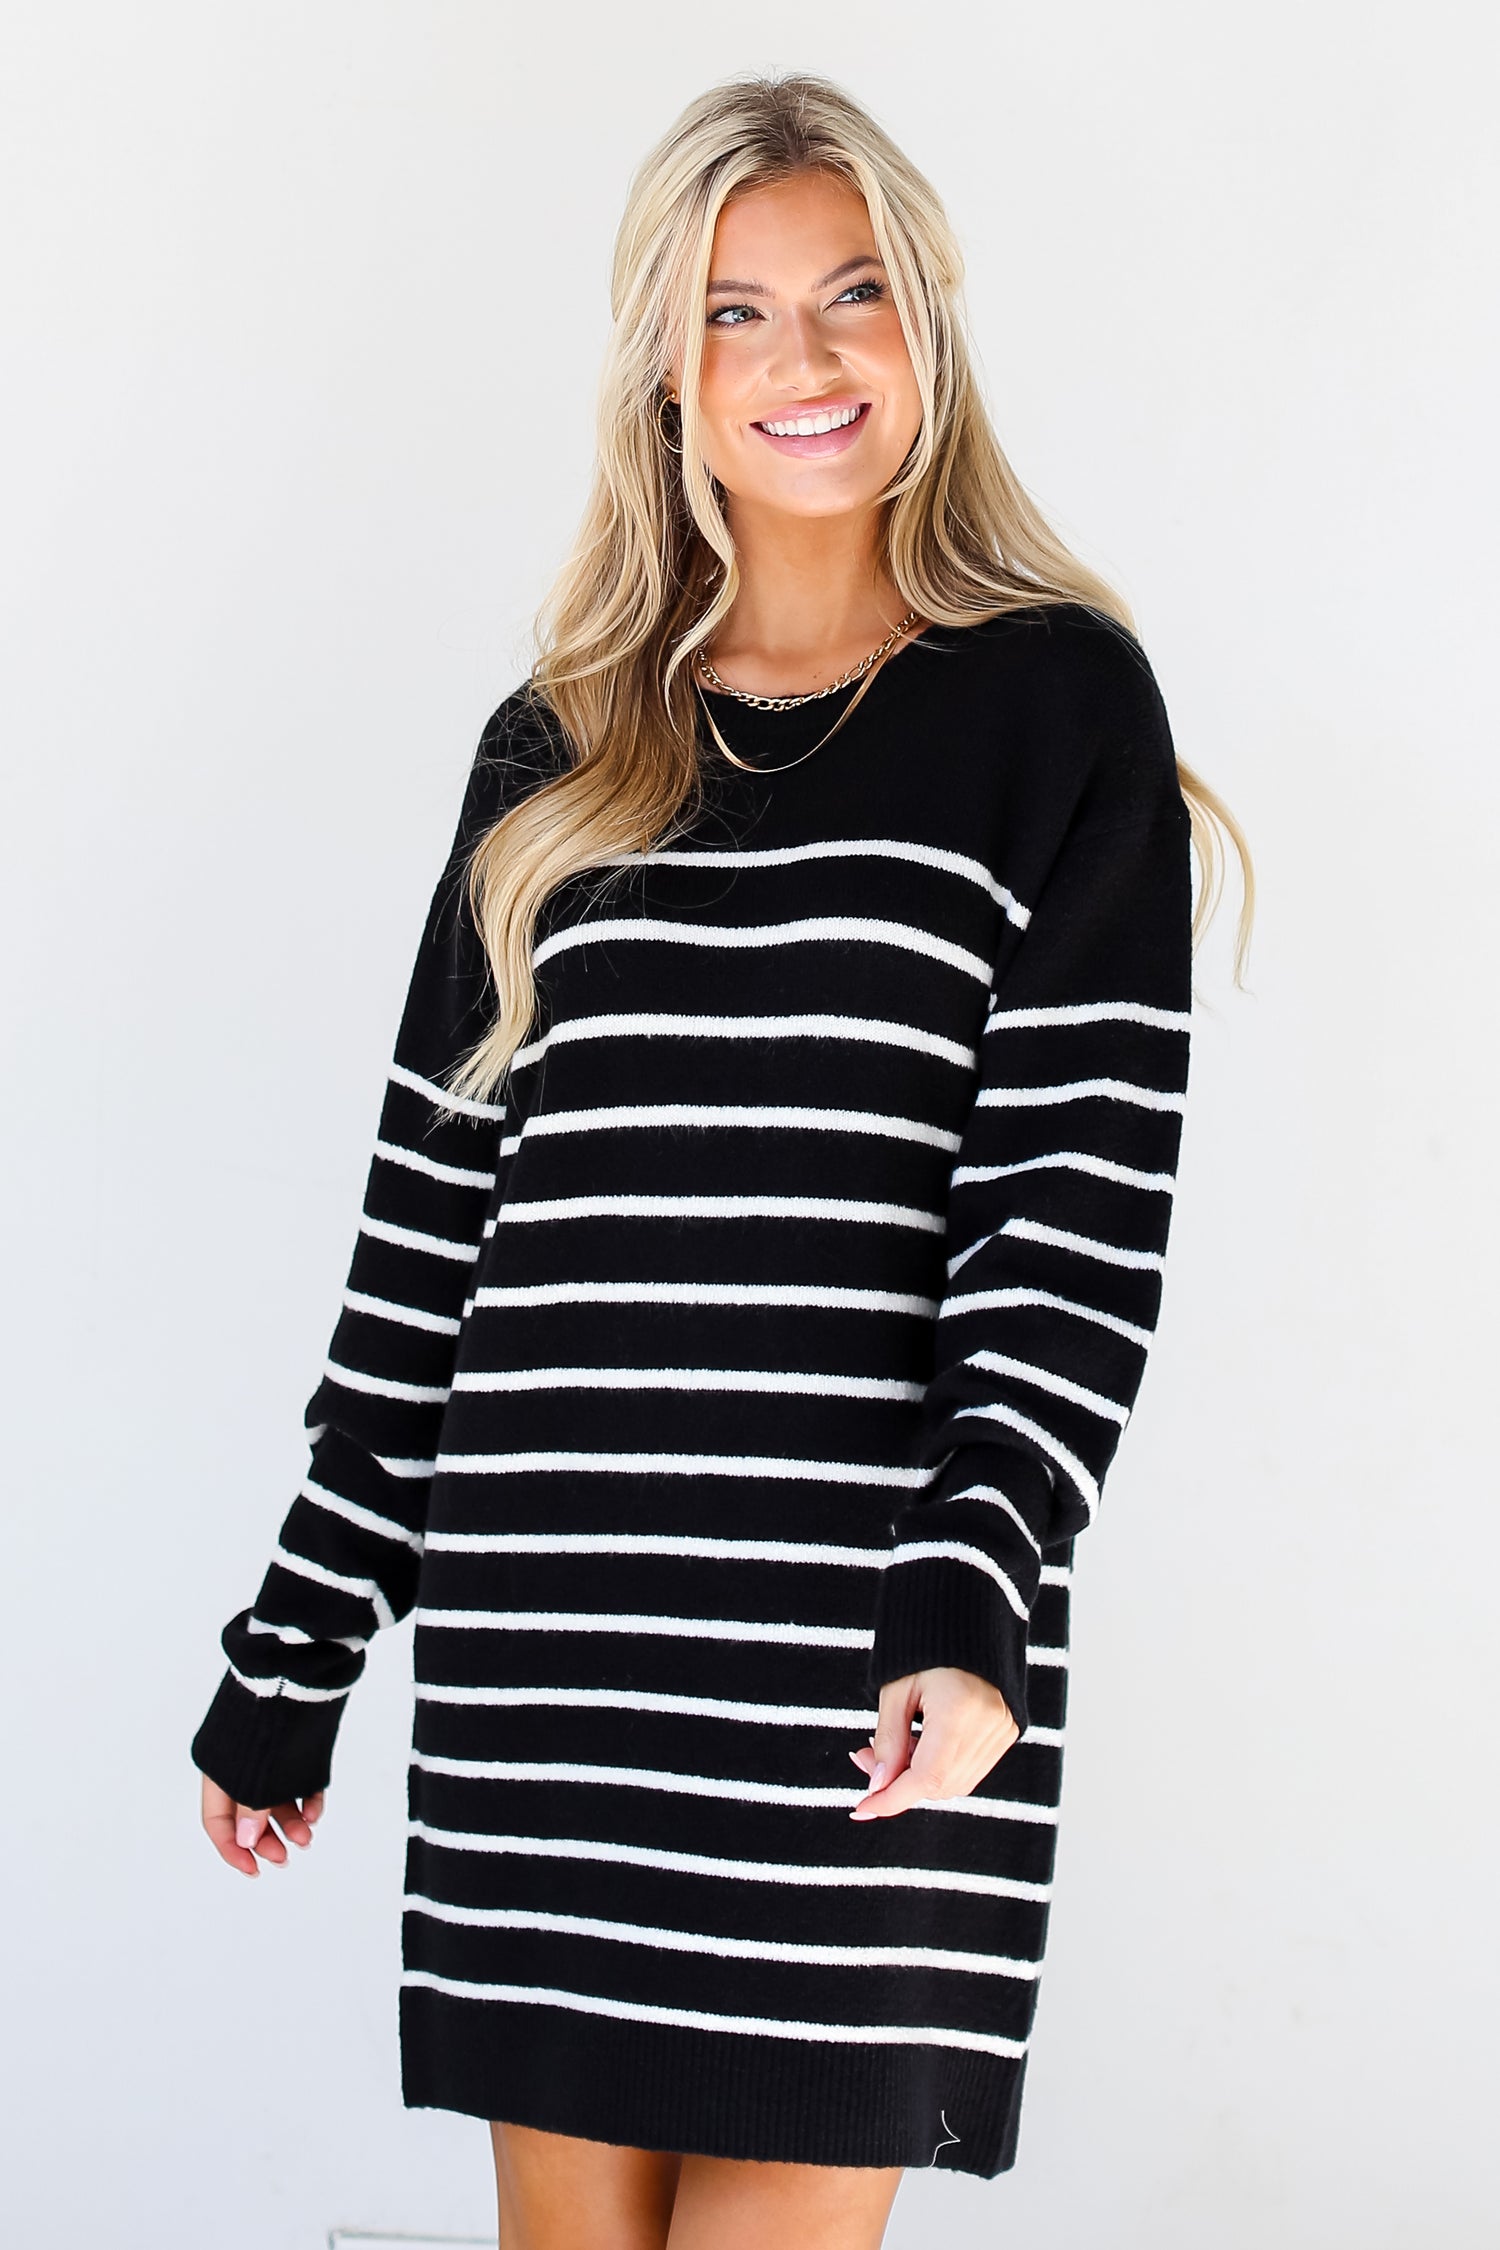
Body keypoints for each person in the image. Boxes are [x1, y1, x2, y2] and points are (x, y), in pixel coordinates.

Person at [192, 69, 1253, 2250]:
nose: (804, 356)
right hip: (556, 1672)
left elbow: (1064, 1226)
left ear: (928, 323)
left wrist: (974, 1596)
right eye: (734, 310)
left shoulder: (1058, 715)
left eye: (853, 293)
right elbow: (430, 1244)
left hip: (871, 1673)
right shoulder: (560, 749)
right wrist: (297, 1646)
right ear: (665, 369)